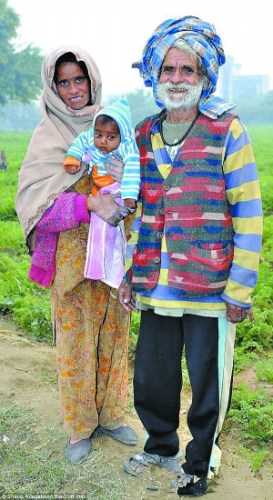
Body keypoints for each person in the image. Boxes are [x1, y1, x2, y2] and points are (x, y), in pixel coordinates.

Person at [118, 16, 263, 497]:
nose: (177, 79)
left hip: (211, 286)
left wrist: (240, 287)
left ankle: (200, 461)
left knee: (208, 382)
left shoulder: (227, 129)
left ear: (204, 77)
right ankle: (160, 445)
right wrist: (129, 274)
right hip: (155, 282)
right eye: (169, 69)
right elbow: (136, 214)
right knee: (153, 374)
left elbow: (248, 212)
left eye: (188, 70)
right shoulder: (143, 134)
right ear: (155, 76)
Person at [15, 46, 138, 464]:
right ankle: (79, 427)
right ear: (53, 87)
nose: (73, 90)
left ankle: (113, 415)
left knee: (115, 335)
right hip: (69, 260)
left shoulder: (115, 126)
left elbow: (139, 183)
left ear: (92, 80)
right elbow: (36, 209)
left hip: (114, 257)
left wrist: (122, 187)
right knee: (75, 343)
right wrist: (88, 203)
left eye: (79, 80)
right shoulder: (47, 136)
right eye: (64, 81)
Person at [64, 97, 140, 287]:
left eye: (110, 137)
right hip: (95, 198)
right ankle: (98, 267)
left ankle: (114, 272)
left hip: (116, 192)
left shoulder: (128, 148)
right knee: (100, 236)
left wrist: (130, 194)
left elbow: (132, 171)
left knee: (112, 237)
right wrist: (73, 158)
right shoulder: (91, 137)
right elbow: (80, 142)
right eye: (99, 136)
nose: (103, 141)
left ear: (122, 135)